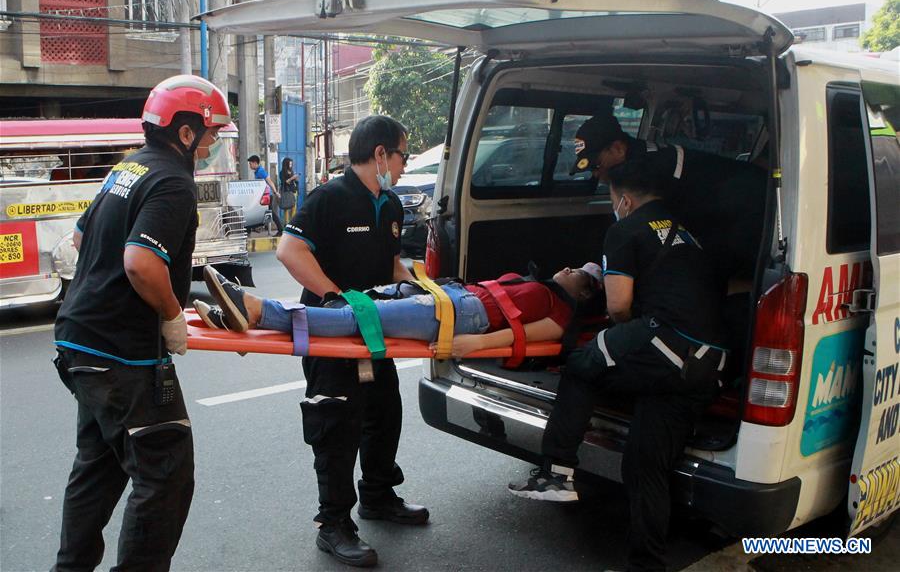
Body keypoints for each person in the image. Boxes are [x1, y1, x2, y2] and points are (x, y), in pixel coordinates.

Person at [509, 160, 727, 572]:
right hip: (709, 364)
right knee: (646, 462)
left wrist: (620, 336)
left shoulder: (624, 230)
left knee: (581, 364)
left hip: (668, 343)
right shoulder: (687, 233)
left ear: (624, 199)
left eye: (612, 199)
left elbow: (619, 306)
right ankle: (646, 565)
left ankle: (555, 473)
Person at [52, 74, 230, 571]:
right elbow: (140, 263)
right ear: (186, 132)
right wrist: (172, 315)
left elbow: (83, 238)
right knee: (165, 472)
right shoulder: (172, 182)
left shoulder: (127, 168)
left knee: (100, 467)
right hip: (121, 356)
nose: (213, 143)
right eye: (211, 132)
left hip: (80, 343)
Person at [271, 115, 420, 568]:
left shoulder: (390, 204)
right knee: (336, 425)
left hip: (375, 332)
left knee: (383, 412)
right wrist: (333, 298)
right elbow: (289, 251)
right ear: (380, 155)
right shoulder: (329, 198)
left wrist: (424, 290)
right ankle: (333, 524)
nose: (403, 163)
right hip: (331, 332)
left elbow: (393, 266)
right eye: (402, 154)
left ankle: (377, 494)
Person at [193, 262, 603, 357]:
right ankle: (236, 319)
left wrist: (474, 343)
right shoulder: (539, 285)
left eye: (579, 275)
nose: (568, 269)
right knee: (359, 304)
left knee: (358, 320)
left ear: (584, 294)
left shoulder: (561, 314)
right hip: (454, 299)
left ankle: (256, 310)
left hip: (461, 317)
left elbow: (527, 335)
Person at [571, 113, 768, 288]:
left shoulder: (652, 171)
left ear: (618, 148)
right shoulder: (635, 162)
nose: (596, 173)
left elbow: (644, 232)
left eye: (596, 165)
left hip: (745, 206)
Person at [249, 154, 283, 235]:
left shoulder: (261, 171)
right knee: (261, 211)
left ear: (255, 163)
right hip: (262, 196)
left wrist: (275, 192)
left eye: (250, 163)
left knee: (271, 213)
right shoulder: (257, 171)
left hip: (267, 196)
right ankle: (254, 227)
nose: (250, 165)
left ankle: (280, 229)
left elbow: (269, 181)